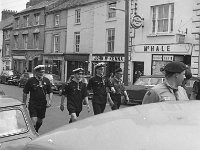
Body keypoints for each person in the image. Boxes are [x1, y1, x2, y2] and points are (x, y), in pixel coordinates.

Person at [23, 65, 53, 132]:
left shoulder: (46, 80)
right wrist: (24, 103)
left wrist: (50, 101)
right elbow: (25, 93)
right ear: (36, 72)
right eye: (40, 72)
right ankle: (33, 133)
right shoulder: (30, 81)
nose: (41, 73)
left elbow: (50, 92)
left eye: (42, 72)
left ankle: (36, 131)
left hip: (42, 104)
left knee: (40, 120)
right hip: (33, 104)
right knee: (33, 120)